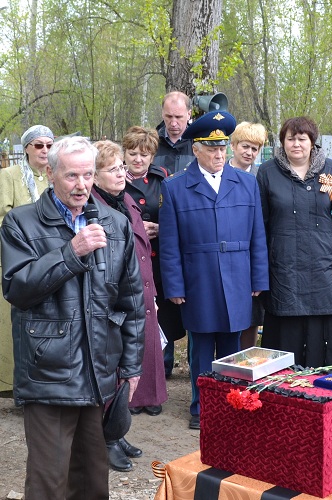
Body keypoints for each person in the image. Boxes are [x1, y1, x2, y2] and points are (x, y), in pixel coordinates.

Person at [0, 136, 145, 499]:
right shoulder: (21, 223)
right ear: (50, 173)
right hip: (48, 373)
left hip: (99, 371)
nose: (82, 186)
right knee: (48, 482)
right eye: (71, 177)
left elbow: (131, 301)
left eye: (88, 175)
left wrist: (131, 366)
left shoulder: (114, 223)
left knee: (93, 481)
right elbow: (18, 288)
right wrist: (71, 252)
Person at [159, 111, 269, 430]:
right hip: (199, 279)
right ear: (196, 149)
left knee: (233, 347)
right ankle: (202, 406)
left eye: (222, 148)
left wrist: (258, 278)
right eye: (211, 148)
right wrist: (175, 286)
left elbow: (257, 235)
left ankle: (232, 402)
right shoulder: (176, 188)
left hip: (237, 277)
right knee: (202, 347)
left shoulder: (247, 184)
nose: (219, 155)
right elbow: (170, 244)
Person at [92, 140, 167, 471]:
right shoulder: (93, 209)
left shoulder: (125, 202)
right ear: (93, 175)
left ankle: (117, 433)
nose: (124, 172)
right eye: (114, 168)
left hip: (137, 298)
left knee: (127, 370)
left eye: (123, 166)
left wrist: (149, 294)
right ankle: (102, 441)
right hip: (111, 304)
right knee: (108, 373)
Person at [257, 116, 332, 367]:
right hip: (282, 264)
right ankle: (282, 388)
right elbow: (260, 224)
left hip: (320, 264)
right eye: (291, 139)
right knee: (284, 322)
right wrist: (259, 266)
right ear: (282, 142)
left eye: (302, 139)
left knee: (318, 325)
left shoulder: (330, 170)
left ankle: (319, 386)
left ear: (312, 142)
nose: (296, 144)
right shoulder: (267, 172)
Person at [122, 126, 186, 381]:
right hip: (129, 262)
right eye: (133, 153)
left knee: (164, 319)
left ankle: (162, 371)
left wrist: (161, 229)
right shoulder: (114, 181)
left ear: (152, 157)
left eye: (144, 154)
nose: (138, 159)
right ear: (124, 153)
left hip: (157, 262)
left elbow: (176, 217)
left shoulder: (163, 180)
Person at [0, 125, 55, 395]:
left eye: (49, 145)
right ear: (26, 148)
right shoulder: (9, 176)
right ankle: (10, 385)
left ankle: (41, 382)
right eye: (38, 145)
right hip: (18, 262)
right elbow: (2, 218)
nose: (44, 150)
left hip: (51, 264)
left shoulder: (54, 176)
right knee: (13, 328)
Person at [228, 121, 268, 350]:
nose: (249, 152)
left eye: (255, 148)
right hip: (229, 251)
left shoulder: (260, 177)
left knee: (252, 315)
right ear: (233, 146)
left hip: (252, 253)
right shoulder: (221, 172)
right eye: (245, 146)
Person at [154, 91, 195, 174]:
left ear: (189, 114)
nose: (173, 123)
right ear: (162, 113)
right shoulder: (151, 143)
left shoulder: (199, 143)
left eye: (178, 117)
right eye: (169, 116)